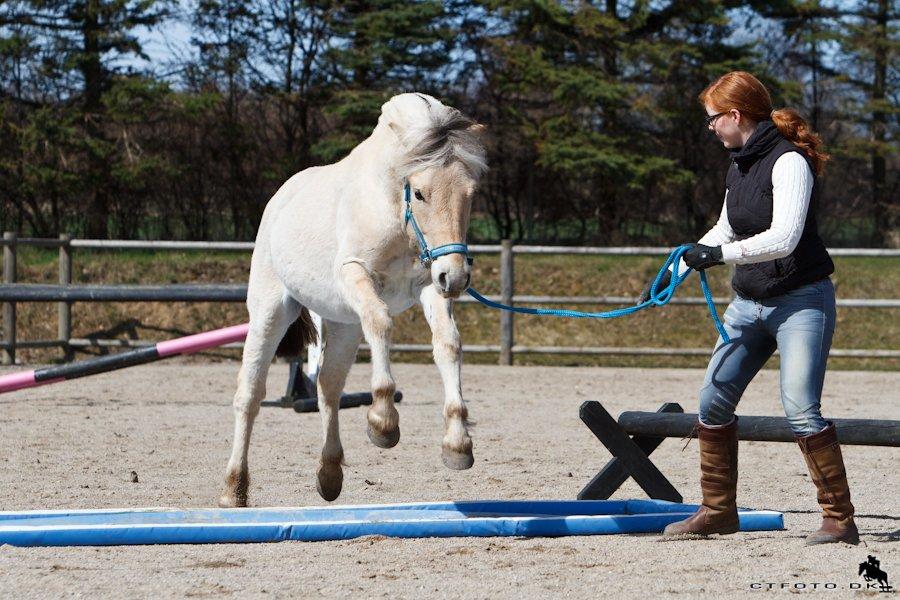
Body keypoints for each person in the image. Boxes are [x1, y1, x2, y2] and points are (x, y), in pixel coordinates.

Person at [638, 71, 858, 545]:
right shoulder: (737, 164)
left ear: (735, 115)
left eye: (713, 119)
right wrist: (671, 275)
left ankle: (839, 519)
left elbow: (784, 238)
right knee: (712, 400)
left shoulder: (789, 162)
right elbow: (725, 229)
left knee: (800, 407)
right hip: (749, 303)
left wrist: (718, 257)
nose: (710, 128)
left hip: (801, 303)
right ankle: (718, 511)